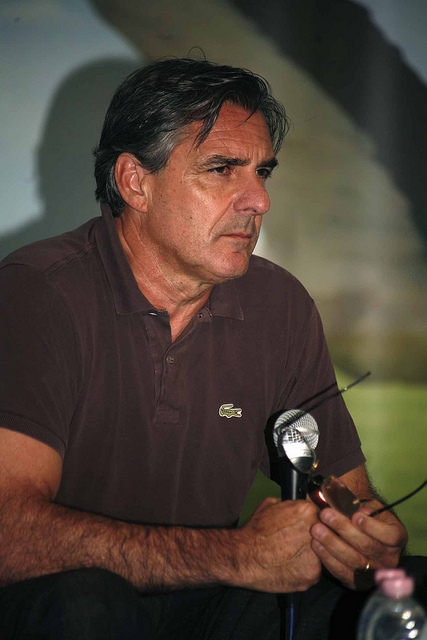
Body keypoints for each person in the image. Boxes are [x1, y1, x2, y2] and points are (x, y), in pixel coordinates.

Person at [0, 58, 407, 639]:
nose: (259, 200)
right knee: (90, 606)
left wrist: (366, 542)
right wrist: (235, 555)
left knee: (404, 593)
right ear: (135, 182)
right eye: (222, 169)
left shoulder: (279, 305)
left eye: (262, 172)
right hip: (58, 601)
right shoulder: (39, 292)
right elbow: (8, 532)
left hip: (208, 602)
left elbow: (346, 495)